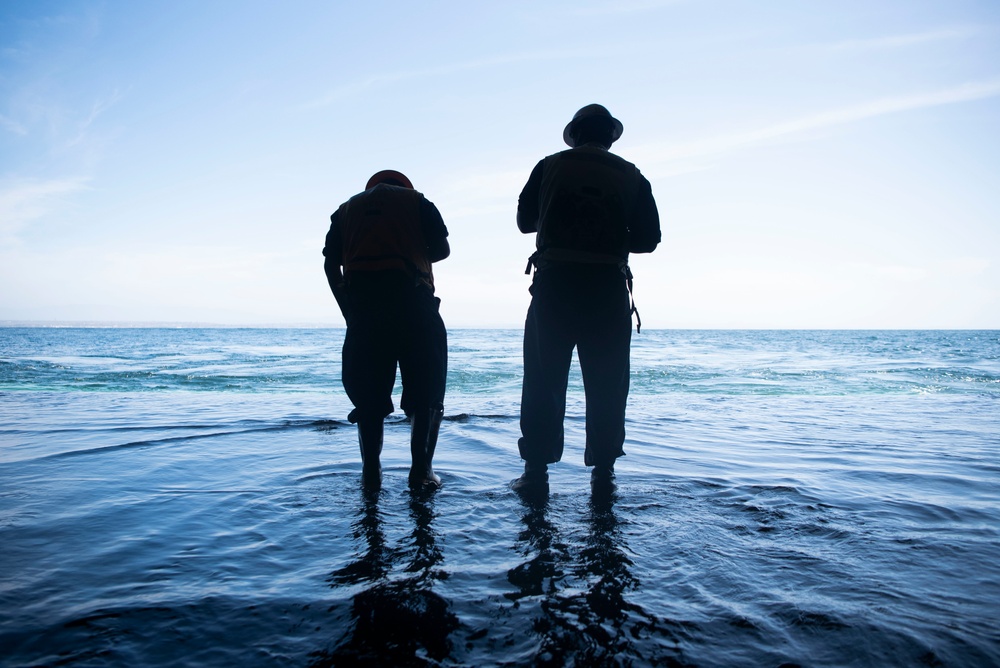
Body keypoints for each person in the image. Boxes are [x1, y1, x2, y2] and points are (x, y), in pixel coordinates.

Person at [515, 104, 661, 488]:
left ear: (575, 135)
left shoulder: (549, 166)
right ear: (611, 138)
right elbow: (648, 241)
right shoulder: (632, 176)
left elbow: (523, 223)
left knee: (544, 381)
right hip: (607, 291)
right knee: (608, 384)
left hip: (555, 287)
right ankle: (604, 471)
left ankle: (536, 472)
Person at [323, 170, 450, 490]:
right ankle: (421, 471)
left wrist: (347, 309)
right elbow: (441, 250)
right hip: (414, 304)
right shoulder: (418, 202)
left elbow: (329, 263)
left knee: (368, 399)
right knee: (426, 393)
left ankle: (371, 474)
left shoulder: (346, 210)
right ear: (405, 188)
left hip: (365, 310)